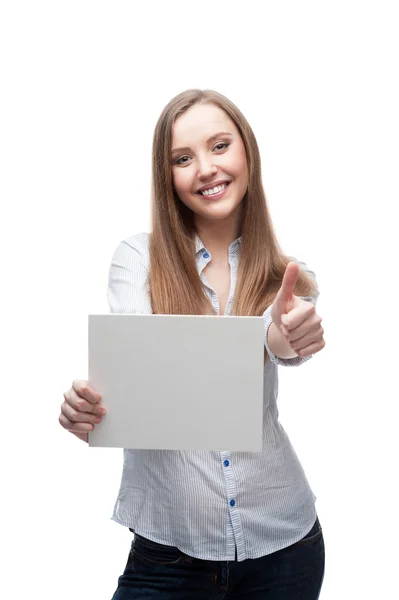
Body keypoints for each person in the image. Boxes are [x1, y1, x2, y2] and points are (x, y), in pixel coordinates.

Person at [59, 89, 326, 599]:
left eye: (220, 146)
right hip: (168, 556)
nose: (205, 168)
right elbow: (137, 369)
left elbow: (284, 341)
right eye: (183, 158)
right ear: (168, 177)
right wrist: (92, 408)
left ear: (247, 151)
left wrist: (287, 337)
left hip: (285, 547)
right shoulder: (136, 259)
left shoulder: (288, 276)